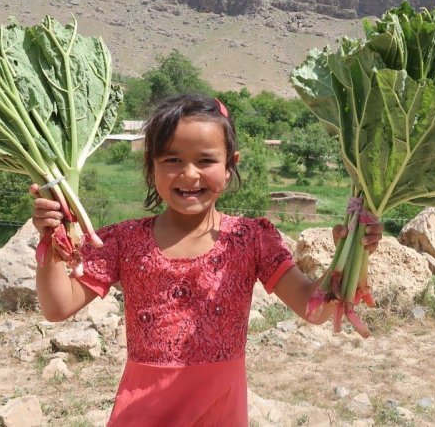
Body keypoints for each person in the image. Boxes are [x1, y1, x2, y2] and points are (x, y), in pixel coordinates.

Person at [29, 94, 382, 426]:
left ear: (230, 166)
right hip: (142, 415)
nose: (189, 174)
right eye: (172, 160)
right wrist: (51, 237)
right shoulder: (124, 240)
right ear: (150, 167)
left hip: (220, 414)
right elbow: (58, 307)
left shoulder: (250, 239)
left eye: (206, 160)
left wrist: (350, 251)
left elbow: (315, 310)